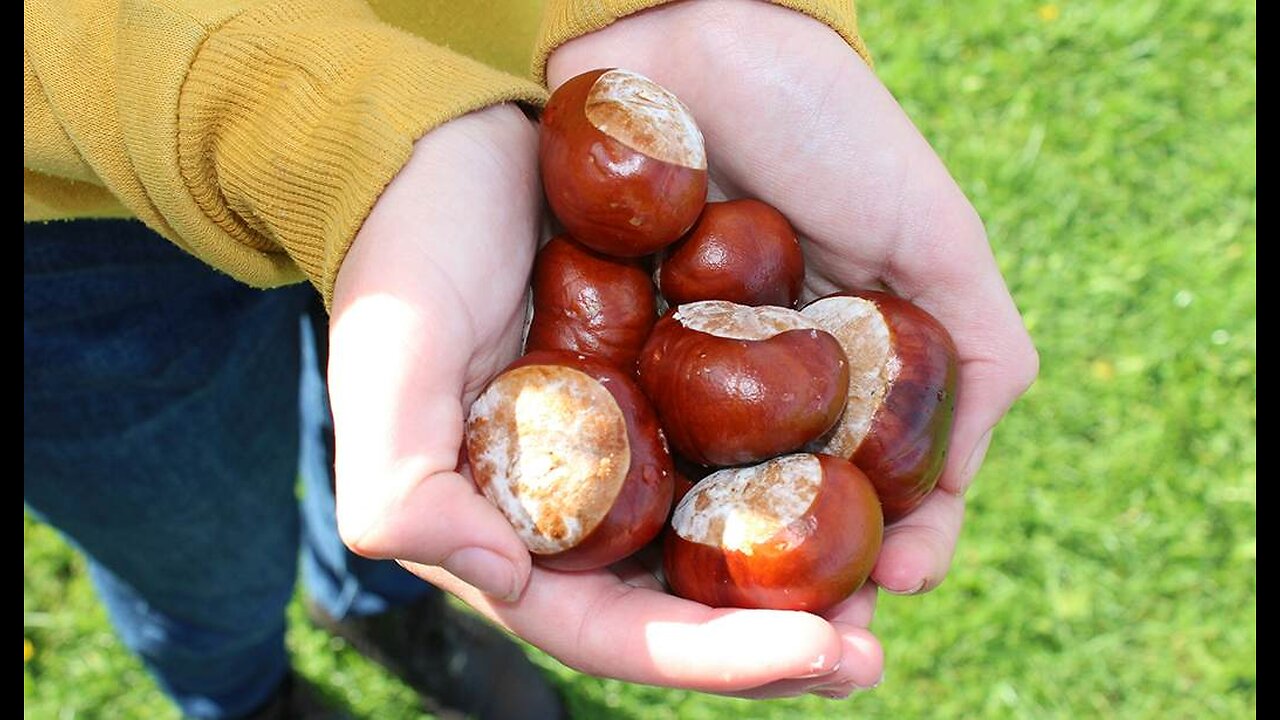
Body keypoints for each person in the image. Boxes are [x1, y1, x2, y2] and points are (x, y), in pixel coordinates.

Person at [24, 1, 1039, 718]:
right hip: (69, 212)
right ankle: (238, 692)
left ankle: (379, 605)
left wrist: (689, 11)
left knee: (395, 438)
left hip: (492, 98)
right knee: (193, 538)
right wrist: (328, 130)